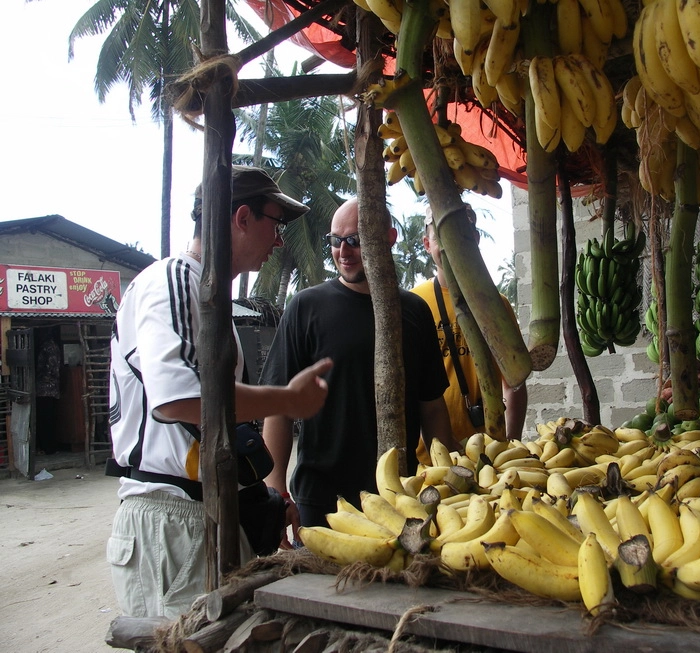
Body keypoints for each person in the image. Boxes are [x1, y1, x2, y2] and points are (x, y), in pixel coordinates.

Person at [106, 166, 333, 619]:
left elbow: (212, 420)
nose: (279, 240)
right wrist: (286, 399)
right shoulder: (172, 281)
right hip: (174, 516)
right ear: (242, 218)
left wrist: (258, 493)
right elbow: (178, 399)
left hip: (200, 511)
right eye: (276, 223)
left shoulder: (205, 295)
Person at [260, 197, 460, 535]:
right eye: (335, 241)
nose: (343, 251)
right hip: (322, 500)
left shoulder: (413, 310)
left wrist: (453, 477)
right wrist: (275, 491)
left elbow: (432, 408)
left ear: (390, 238)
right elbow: (278, 408)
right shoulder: (305, 308)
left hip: (399, 498)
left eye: (355, 239)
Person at [412, 204, 528, 443]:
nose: (451, 243)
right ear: (427, 244)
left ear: (475, 238)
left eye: (461, 233)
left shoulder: (497, 305)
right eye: (441, 236)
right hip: (430, 456)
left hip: (490, 448)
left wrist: (511, 441)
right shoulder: (414, 304)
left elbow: (514, 383)